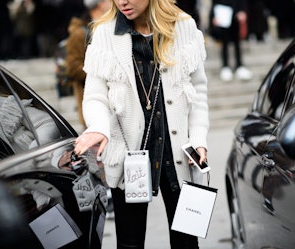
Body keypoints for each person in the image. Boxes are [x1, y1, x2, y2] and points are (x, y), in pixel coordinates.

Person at [73, 0, 209, 248]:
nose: (122, 2)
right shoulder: (104, 33)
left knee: (186, 242)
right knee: (130, 243)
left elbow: (198, 91)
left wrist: (199, 140)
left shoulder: (184, 27)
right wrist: (98, 127)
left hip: (177, 152)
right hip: (127, 154)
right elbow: (95, 96)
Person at [65, 0, 111, 130]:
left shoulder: (110, 27)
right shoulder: (79, 33)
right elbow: (72, 67)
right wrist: (101, 70)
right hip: (92, 99)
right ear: (100, 4)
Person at [209, 0, 253, 82]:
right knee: (224, 42)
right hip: (222, 13)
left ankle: (239, 66)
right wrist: (213, 15)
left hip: (235, 14)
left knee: (237, 42)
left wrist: (242, 11)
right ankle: (225, 66)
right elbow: (214, 2)